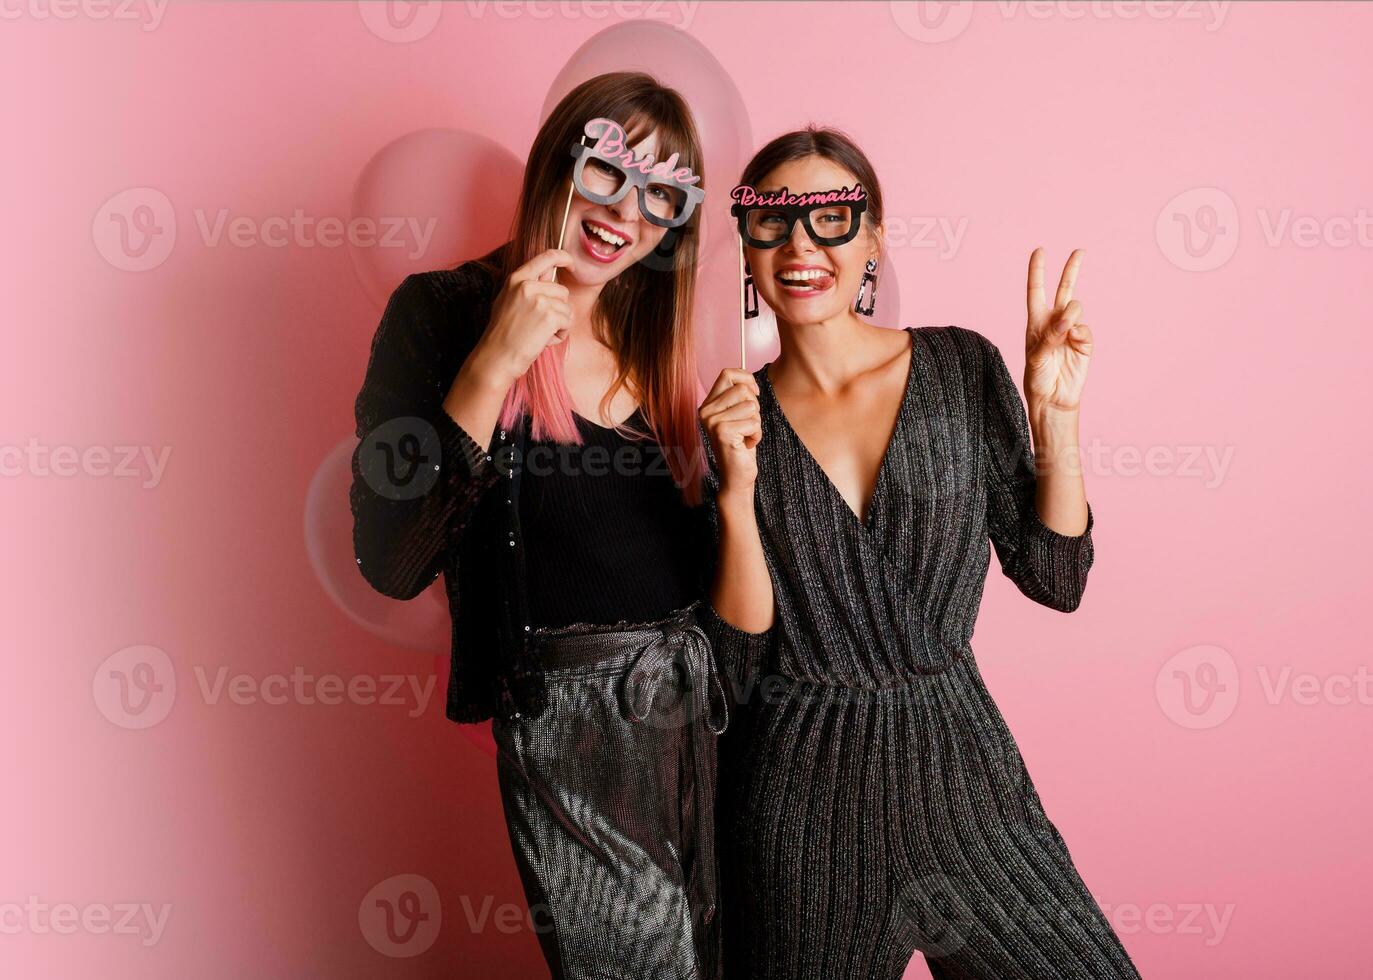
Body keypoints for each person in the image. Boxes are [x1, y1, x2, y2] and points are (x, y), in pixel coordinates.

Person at [697, 125, 1144, 979]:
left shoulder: (958, 365)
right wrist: (733, 490)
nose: (801, 244)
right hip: (799, 803)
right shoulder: (732, 415)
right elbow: (739, 663)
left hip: (960, 773)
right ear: (746, 245)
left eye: (832, 217)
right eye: (772, 221)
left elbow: (1054, 577)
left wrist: (1055, 415)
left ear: (874, 240)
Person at [351, 71, 726, 980]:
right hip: (573, 733)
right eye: (607, 172)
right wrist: (494, 363)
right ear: (560, 158)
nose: (625, 212)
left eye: (661, 197)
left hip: (704, 721)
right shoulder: (438, 313)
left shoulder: (655, 348)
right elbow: (392, 562)